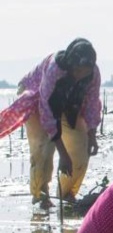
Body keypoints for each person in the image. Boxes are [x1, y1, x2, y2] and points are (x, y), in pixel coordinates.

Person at [0, 38, 101, 209]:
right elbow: (47, 112)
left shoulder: (93, 74)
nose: (79, 76)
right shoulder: (55, 68)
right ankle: (41, 195)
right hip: (38, 100)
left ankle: (67, 193)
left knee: (81, 147)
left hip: (69, 104)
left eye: (84, 72)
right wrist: (62, 153)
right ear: (70, 65)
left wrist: (92, 136)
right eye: (76, 71)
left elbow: (92, 103)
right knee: (43, 148)